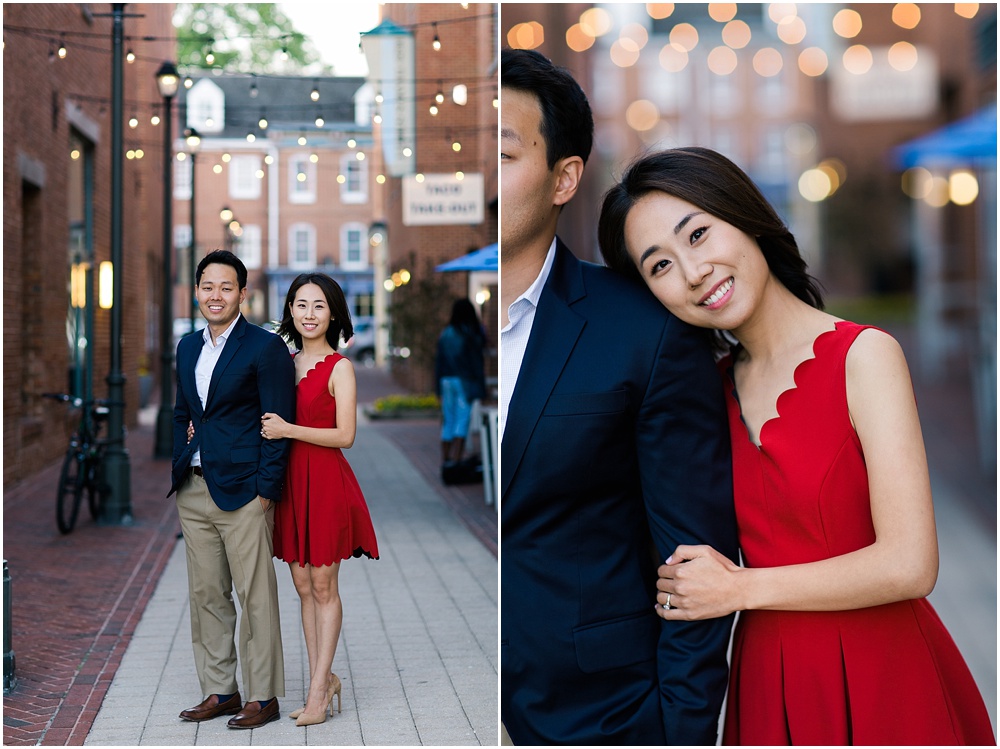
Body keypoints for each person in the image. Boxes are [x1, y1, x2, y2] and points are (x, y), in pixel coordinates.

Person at [598, 146, 996, 746]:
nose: (693, 270)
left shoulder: (864, 357)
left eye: (699, 234)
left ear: (746, 215)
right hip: (767, 682)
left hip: (884, 674)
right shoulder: (700, 395)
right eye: (660, 266)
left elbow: (912, 564)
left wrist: (739, 589)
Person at [499, 49, 738, 745]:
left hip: (600, 714)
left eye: (502, 151)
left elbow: (695, 560)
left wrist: (678, 729)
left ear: (563, 177)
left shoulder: (647, 328)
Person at [168, 249, 295, 729]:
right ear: (196, 290)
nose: (215, 295)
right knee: (207, 595)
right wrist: (181, 461)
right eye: (207, 286)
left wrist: (267, 489)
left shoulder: (264, 348)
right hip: (194, 489)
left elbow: (279, 422)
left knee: (255, 595)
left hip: (244, 491)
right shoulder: (186, 347)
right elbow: (184, 411)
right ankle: (221, 689)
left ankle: (263, 696)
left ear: (243, 293)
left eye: (225, 287)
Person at [260, 272, 379, 728]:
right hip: (289, 485)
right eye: (301, 305)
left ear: (333, 314)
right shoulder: (281, 362)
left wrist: (289, 430)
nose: (309, 314)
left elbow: (345, 435)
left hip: (326, 483)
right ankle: (322, 679)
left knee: (325, 586)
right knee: (303, 586)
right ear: (290, 310)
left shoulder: (340, 367)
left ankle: (316, 691)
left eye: (319, 306)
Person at [434, 297, 487, 465]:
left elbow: (439, 362)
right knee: (462, 421)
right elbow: (476, 363)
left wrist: (438, 387)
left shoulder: (446, 333)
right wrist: (481, 387)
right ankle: (456, 461)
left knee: (448, 420)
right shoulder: (471, 333)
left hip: (446, 381)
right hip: (464, 381)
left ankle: (446, 460)